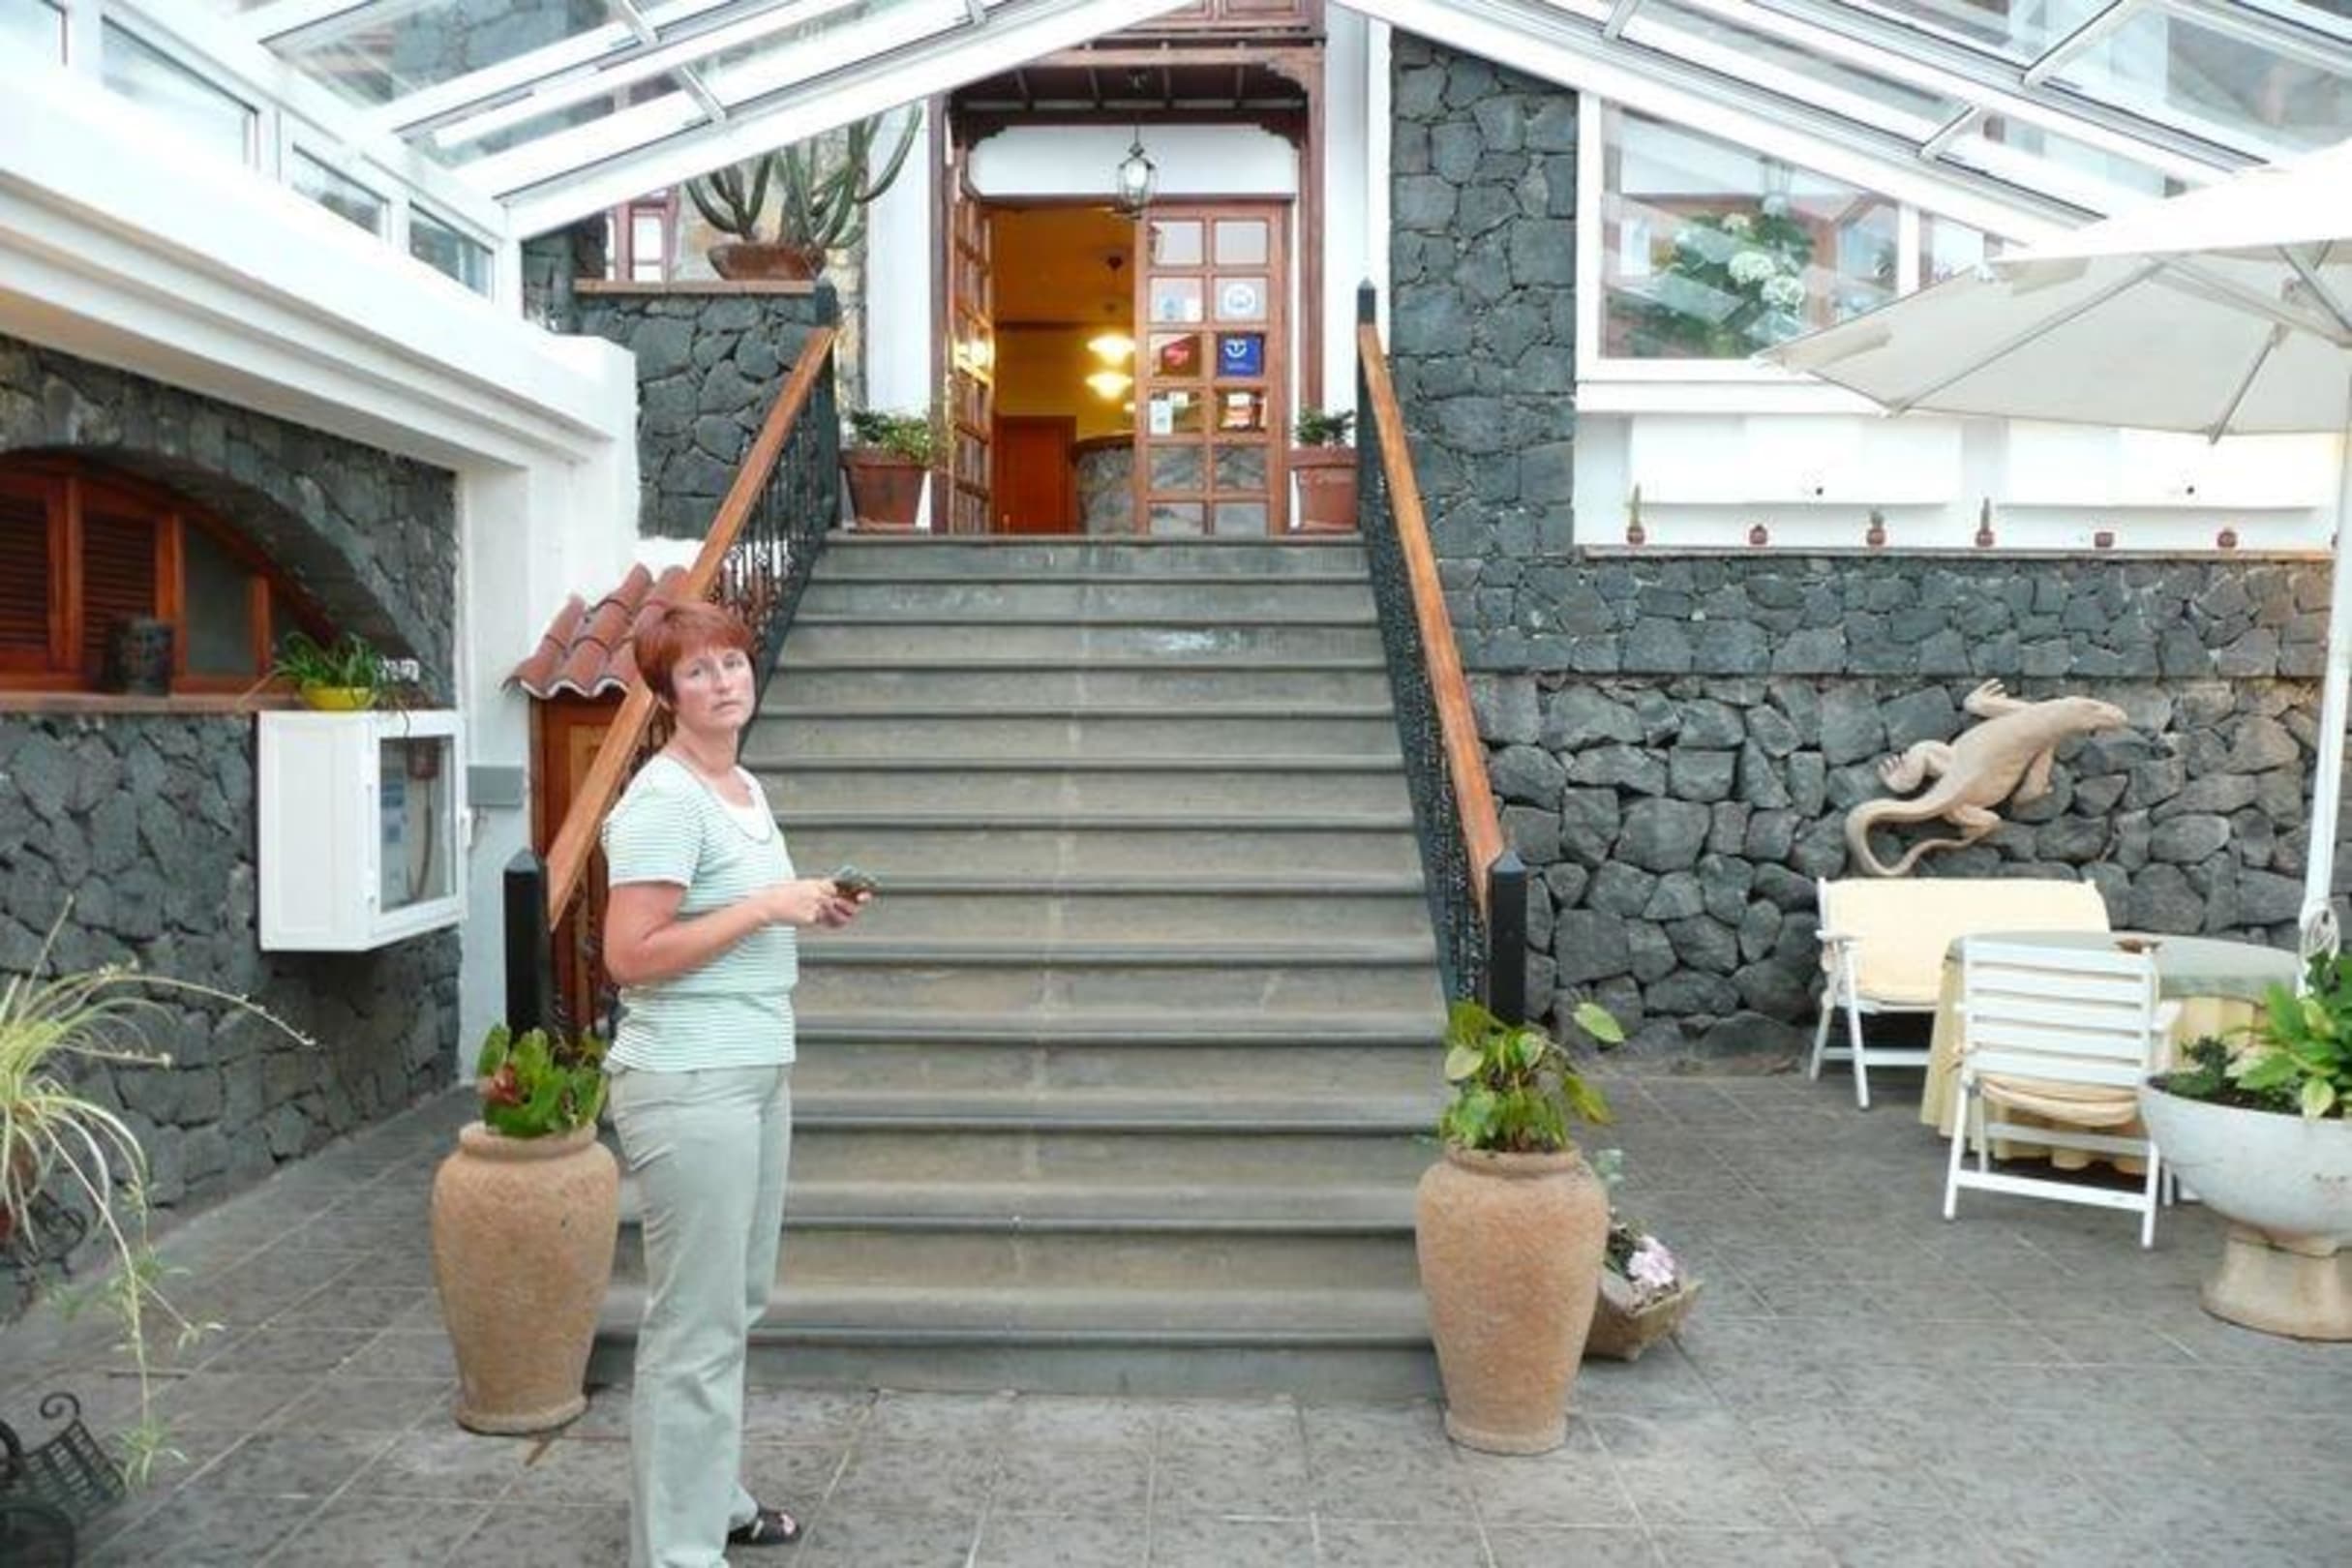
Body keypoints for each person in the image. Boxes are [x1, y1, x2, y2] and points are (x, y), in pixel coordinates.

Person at [600, 600, 865, 1568]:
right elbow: (630, 955)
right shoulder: (665, 799)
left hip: (752, 1070)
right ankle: (677, 1550)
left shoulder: (739, 784)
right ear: (667, 694)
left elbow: (737, 913)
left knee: (731, 1304)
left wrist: (806, 907)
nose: (724, 682)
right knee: (694, 1325)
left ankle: (710, 1503)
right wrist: (763, 908)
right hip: (690, 1079)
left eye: (733, 662)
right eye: (698, 670)